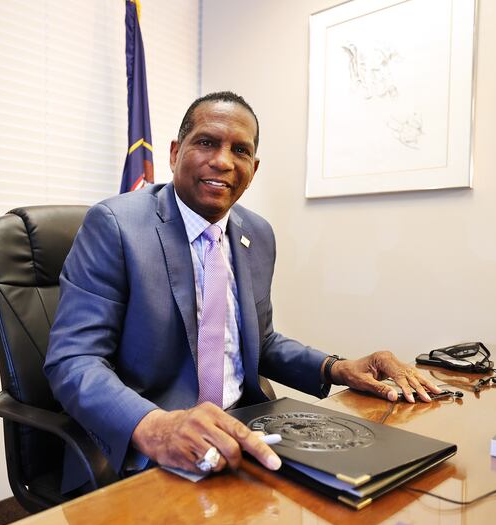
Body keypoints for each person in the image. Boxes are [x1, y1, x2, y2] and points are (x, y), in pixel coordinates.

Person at [44, 91, 440, 491]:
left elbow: (260, 342)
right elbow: (74, 361)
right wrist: (157, 425)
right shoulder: (115, 225)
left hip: (246, 430)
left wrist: (338, 368)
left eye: (240, 150)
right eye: (206, 142)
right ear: (174, 152)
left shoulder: (257, 233)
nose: (222, 160)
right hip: (151, 445)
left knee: (375, 489)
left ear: (254, 167)